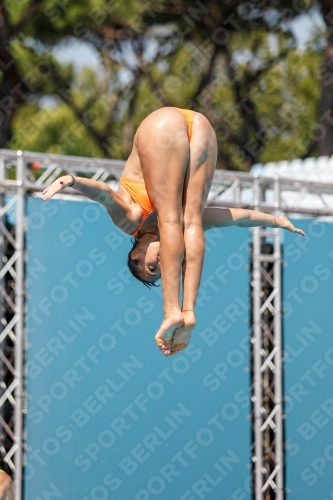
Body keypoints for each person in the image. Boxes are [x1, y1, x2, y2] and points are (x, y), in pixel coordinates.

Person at [42, 107, 305, 357]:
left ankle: (172, 312)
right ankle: (188, 311)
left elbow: (106, 195)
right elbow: (234, 218)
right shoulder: (176, 233)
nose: (159, 263)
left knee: (172, 220)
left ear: (135, 254)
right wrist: (274, 220)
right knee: (191, 222)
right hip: (200, 127)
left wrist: (72, 181)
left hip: (162, 126)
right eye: (159, 269)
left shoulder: (130, 221)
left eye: (151, 268)